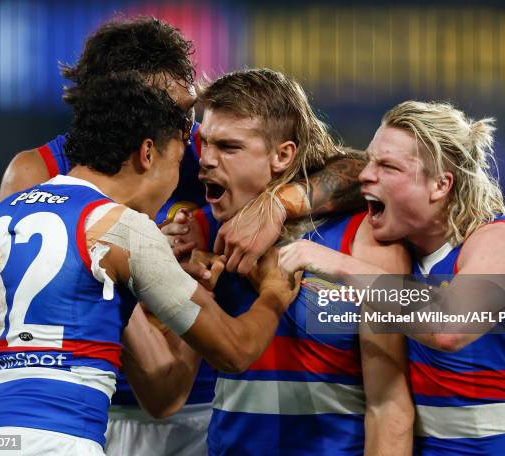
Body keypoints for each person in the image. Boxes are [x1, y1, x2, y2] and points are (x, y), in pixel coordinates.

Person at [0, 15, 368, 456]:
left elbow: (362, 172)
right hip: (100, 409)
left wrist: (278, 204)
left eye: (186, 112)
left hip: (204, 412)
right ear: (127, 110)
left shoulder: (201, 147)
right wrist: (147, 264)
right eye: (171, 113)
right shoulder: (38, 174)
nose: (187, 131)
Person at [0, 72, 299, 456]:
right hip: (61, 442)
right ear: (147, 153)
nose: (182, 177)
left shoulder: (4, 214)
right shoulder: (121, 228)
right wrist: (273, 293)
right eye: (177, 161)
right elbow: (234, 351)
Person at [279, 100, 505, 455]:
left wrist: (338, 264)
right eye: (370, 160)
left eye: (387, 166)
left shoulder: (502, 242)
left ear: (440, 185)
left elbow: (449, 327)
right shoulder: (399, 252)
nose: (366, 175)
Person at [167, 68, 414, 455]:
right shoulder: (206, 237)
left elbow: (388, 409)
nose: (206, 160)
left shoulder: (362, 241)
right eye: (205, 143)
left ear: (283, 155)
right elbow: (163, 388)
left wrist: (279, 205)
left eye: (229, 147)